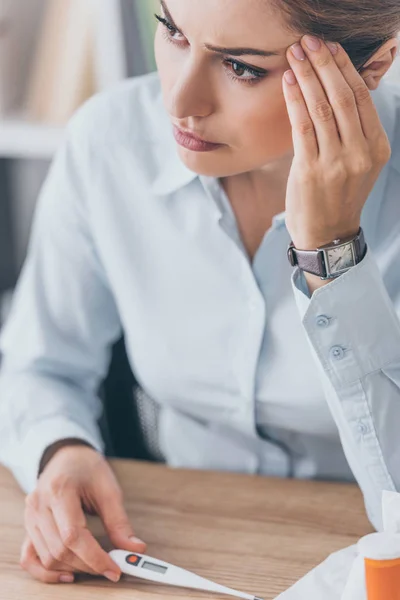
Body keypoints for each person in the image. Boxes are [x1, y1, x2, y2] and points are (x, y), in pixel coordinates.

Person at [0, 0, 399, 586]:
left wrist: (331, 254)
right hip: (180, 543)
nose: (180, 101)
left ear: (371, 69)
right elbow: (39, 364)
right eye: (173, 32)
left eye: (241, 67)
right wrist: (59, 449)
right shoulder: (111, 144)